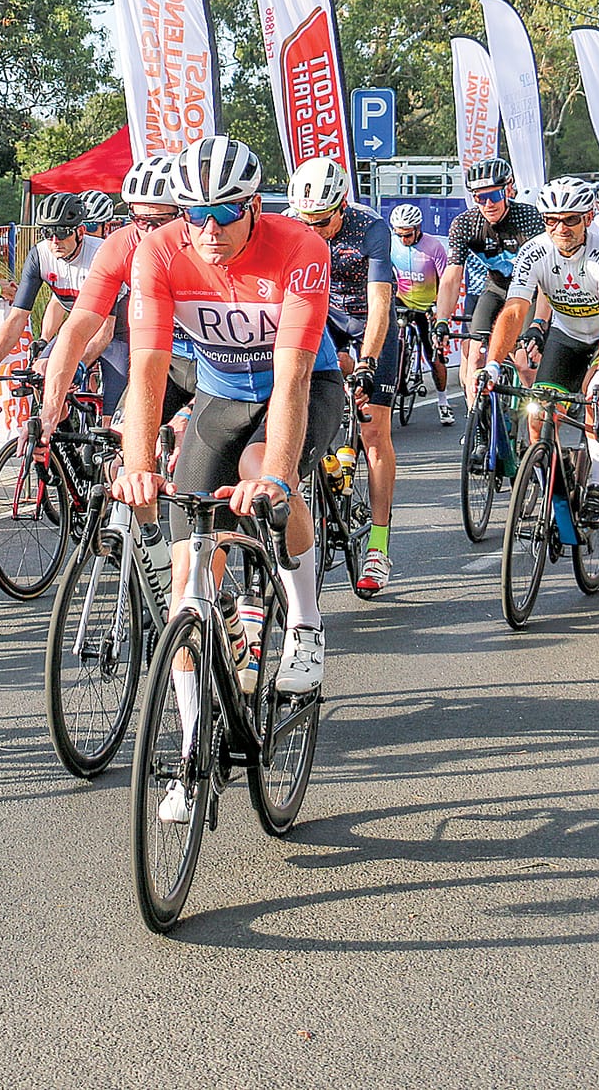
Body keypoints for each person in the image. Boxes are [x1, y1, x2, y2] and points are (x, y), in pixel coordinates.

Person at [113, 137, 340, 805]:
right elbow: (149, 368)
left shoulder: (301, 248)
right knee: (188, 582)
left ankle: (304, 621)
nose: (208, 228)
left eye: (223, 212)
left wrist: (275, 476)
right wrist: (136, 466)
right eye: (194, 212)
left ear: (251, 206)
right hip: (220, 393)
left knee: (259, 472)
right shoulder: (159, 251)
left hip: (299, 386)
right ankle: (190, 754)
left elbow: (295, 375)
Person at [487, 178, 599, 524]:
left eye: (570, 219)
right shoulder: (535, 252)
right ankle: (554, 485)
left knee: (594, 395)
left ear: (588, 217)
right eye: (552, 220)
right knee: (538, 411)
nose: (561, 228)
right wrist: (493, 364)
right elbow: (514, 310)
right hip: (568, 331)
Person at [289, 156, 399, 595]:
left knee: (374, 432)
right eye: (306, 221)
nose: (313, 230)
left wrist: (369, 361)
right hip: (326, 322)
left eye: (322, 222)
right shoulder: (295, 227)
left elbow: (379, 306)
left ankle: (378, 544)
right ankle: (328, 462)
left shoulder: (369, 228)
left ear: (342, 206)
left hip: (369, 322)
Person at [35, 153, 192, 435]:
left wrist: (188, 412)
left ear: (186, 215)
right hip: (161, 363)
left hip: (213, 368)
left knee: (189, 447)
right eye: (139, 220)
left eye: (157, 222)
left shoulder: (208, 250)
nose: (147, 232)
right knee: (118, 450)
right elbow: (76, 328)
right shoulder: (121, 245)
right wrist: (50, 411)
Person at [0, 192, 125, 409]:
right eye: (47, 232)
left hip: (116, 333)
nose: (55, 241)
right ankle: (57, 438)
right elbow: (17, 317)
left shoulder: (102, 254)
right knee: (42, 377)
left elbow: (106, 330)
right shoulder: (40, 255)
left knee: (112, 421)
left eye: (62, 232)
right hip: (76, 329)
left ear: (80, 231)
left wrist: (78, 365)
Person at [435, 158, 546, 413]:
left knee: (524, 362)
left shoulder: (528, 218)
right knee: (475, 356)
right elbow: (452, 275)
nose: (487, 204)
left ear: (508, 190)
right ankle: (478, 426)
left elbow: (545, 276)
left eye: (494, 195)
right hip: (495, 287)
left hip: (529, 290)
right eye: (479, 198)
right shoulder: (465, 224)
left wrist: (539, 323)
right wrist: (442, 319)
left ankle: (534, 431)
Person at [389, 204, 453, 427]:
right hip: (402, 301)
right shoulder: (392, 243)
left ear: (417, 229)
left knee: (433, 355)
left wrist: (439, 308)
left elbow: (446, 282)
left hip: (428, 306)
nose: (403, 239)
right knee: (390, 346)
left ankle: (443, 403)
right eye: (399, 234)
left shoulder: (433, 247)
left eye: (407, 234)